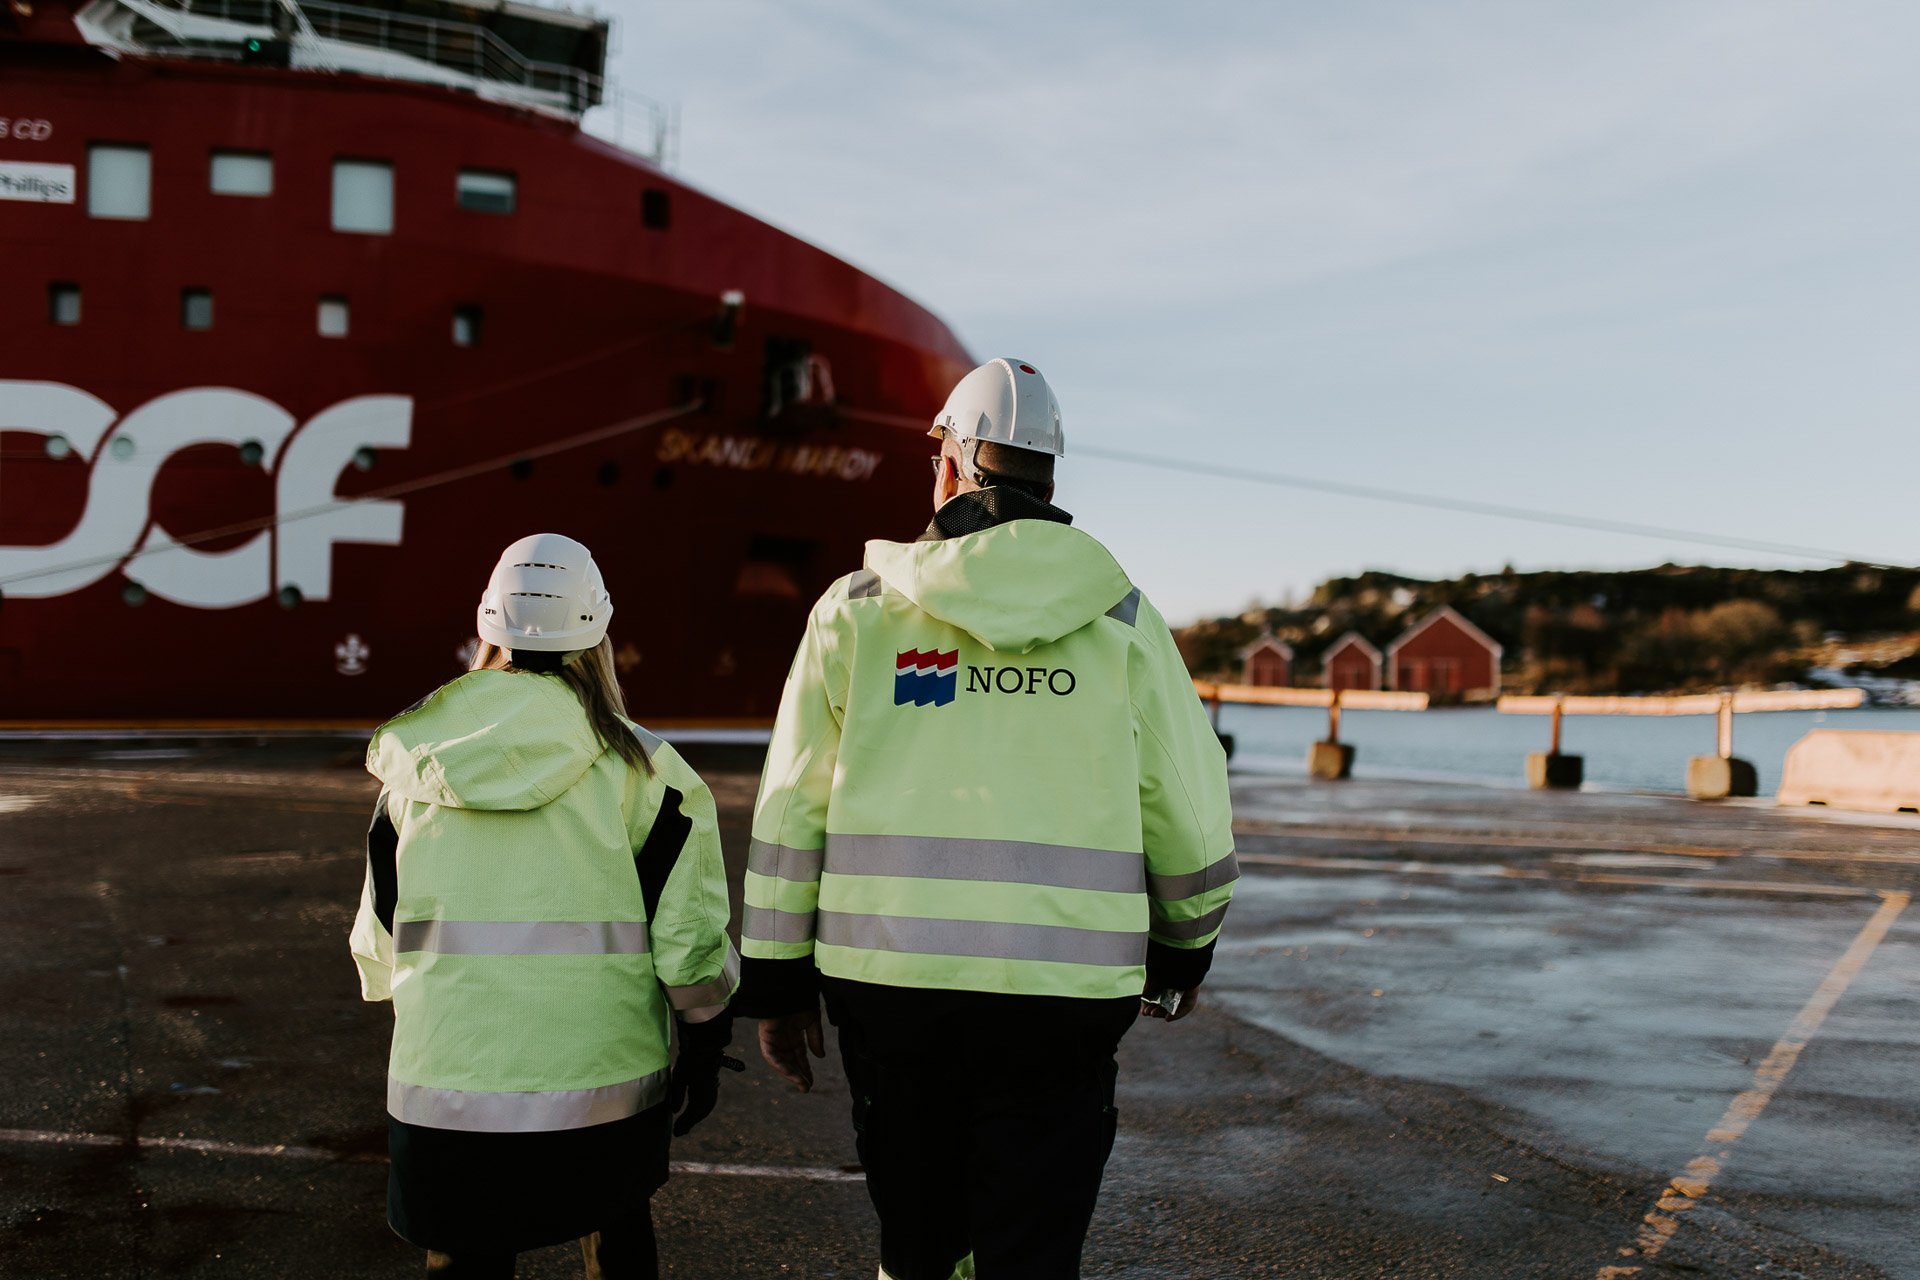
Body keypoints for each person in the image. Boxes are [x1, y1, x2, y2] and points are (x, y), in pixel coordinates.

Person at [733, 359, 1238, 1279]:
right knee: (1031, 1248)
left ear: (955, 466)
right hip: (1066, 1000)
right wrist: (1182, 952)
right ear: (1050, 479)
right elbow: (1190, 810)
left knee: (918, 1241)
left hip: (890, 991)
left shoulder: (855, 616)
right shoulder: (1123, 624)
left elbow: (791, 806)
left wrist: (773, 984)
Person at [349, 533, 741, 1279]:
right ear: (597, 631)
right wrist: (705, 1041)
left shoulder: (415, 772)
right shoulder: (649, 773)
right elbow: (689, 941)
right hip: (603, 1098)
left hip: (446, 1093)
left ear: (487, 626)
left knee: (464, 1258)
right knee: (616, 1246)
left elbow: (380, 937)